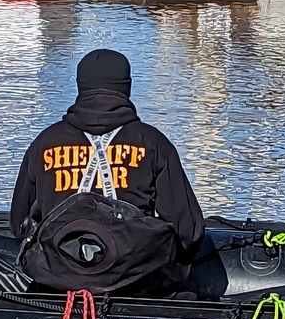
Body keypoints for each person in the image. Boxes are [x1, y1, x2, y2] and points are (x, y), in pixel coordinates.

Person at [11, 49, 206, 293]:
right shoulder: (153, 143)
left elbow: (19, 224)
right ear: (126, 88)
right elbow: (188, 228)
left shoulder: (45, 143)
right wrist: (181, 264)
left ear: (80, 87)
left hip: (58, 280)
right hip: (132, 281)